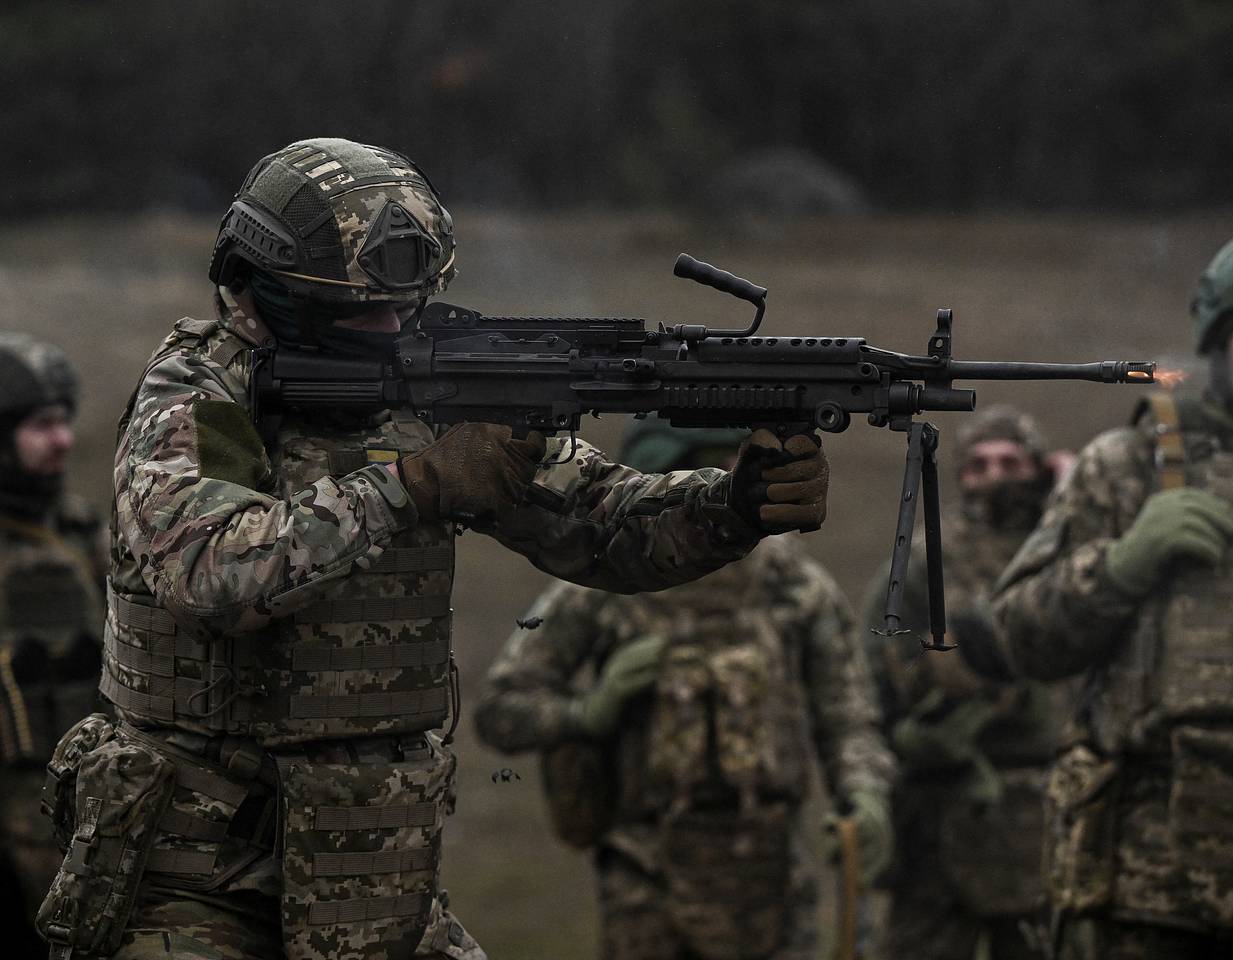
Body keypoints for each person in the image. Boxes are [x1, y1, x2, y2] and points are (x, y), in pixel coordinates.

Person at [36, 138, 830, 960]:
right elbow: (211, 570)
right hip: (195, 888)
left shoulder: (428, 384)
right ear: (275, 291)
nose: (391, 328)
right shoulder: (201, 395)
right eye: (362, 310)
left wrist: (733, 505)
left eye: (406, 305)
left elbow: (603, 524)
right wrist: (410, 486)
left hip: (375, 889)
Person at [474, 419, 893, 960]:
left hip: (770, 878)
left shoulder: (792, 585)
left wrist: (864, 793)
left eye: (728, 470)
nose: (715, 483)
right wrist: (589, 712)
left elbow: (847, 715)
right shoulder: (602, 586)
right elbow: (500, 709)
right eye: (699, 470)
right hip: (647, 878)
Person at [975, 226, 1233, 959]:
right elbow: (1016, 635)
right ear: (1218, 343)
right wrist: (1121, 565)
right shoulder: (1130, 467)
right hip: (1146, 894)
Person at [858, 406, 1071, 960]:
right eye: (978, 464)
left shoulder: (1067, 555)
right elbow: (876, 666)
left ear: (1038, 469)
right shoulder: (925, 558)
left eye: (1010, 461)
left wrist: (1070, 496)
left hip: (1047, 803)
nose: (995, 475)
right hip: (941, 804)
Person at [0, 335, 105, 953]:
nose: (62, 440)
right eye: (42, 425)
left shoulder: (78, 529)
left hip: (73, 824)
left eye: (64, 422)